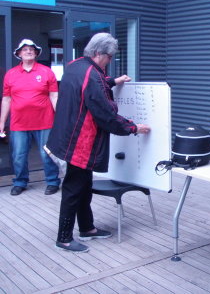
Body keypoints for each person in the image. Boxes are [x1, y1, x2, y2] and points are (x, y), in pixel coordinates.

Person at [46, 32, 151, 253]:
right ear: (97, 53)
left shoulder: (75, 66)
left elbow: (91, 86)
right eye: (109, 57)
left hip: (68, 135)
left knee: (84, 186)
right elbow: (106, 115)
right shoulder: (92, 76)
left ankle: (87, 228)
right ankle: (64, 238)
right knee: (74, 188)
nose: (110, 61)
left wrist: (113, 81)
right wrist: (134, 128)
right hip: (80, 142)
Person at [0, 39, 61, 196]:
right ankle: (20, 182)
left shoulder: (46, 72)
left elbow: (54, 95)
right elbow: (6, 99)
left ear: (36, 53)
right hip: (18, 123)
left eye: (31, 49)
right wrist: (1, 122)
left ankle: (53, 182)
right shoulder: (10, 74)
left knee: (47, 154)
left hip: (45, 120)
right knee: (18, 155)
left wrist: (60, 117)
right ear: (19, 54)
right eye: (25, 49)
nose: (28, 51)